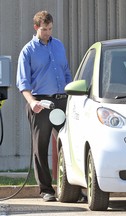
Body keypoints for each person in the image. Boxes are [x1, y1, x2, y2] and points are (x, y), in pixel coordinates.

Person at [16, 11, 72, 202]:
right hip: (40, 103)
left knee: (69, 143)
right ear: (36, 28)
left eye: (50, 29)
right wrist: (32, 102)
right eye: (44, 29)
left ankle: (73, 188)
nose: (47, 32)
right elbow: (23, 83)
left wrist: (70, 95)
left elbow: (66, 72)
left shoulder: (58, 45)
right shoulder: (28, 51)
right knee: (41, 147)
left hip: (61, 101)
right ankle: (46, 190)